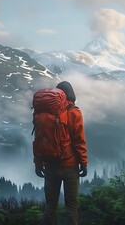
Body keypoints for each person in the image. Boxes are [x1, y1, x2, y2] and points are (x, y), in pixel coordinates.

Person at [34, 81, 88, 225]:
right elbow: (79, 141)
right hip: (70, 167)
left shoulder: (42, 113)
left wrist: (38, 164)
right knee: (71, 206)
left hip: (50, 166)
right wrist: (83, 162)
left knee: (50, 206)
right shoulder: (74, 112)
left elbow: (38, 140)